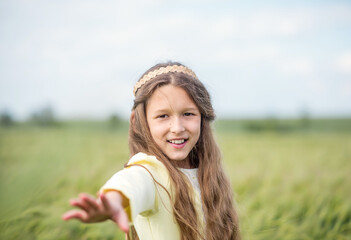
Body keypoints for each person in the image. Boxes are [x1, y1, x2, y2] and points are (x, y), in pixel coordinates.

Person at [62, 62, 240, 240]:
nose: (177, 128)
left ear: (202, 118)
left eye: (188, 114)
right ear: (139, 122)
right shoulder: (150, 172)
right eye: (163, 116)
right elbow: (132, 183)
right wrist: (114, 200)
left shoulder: (209, 173)